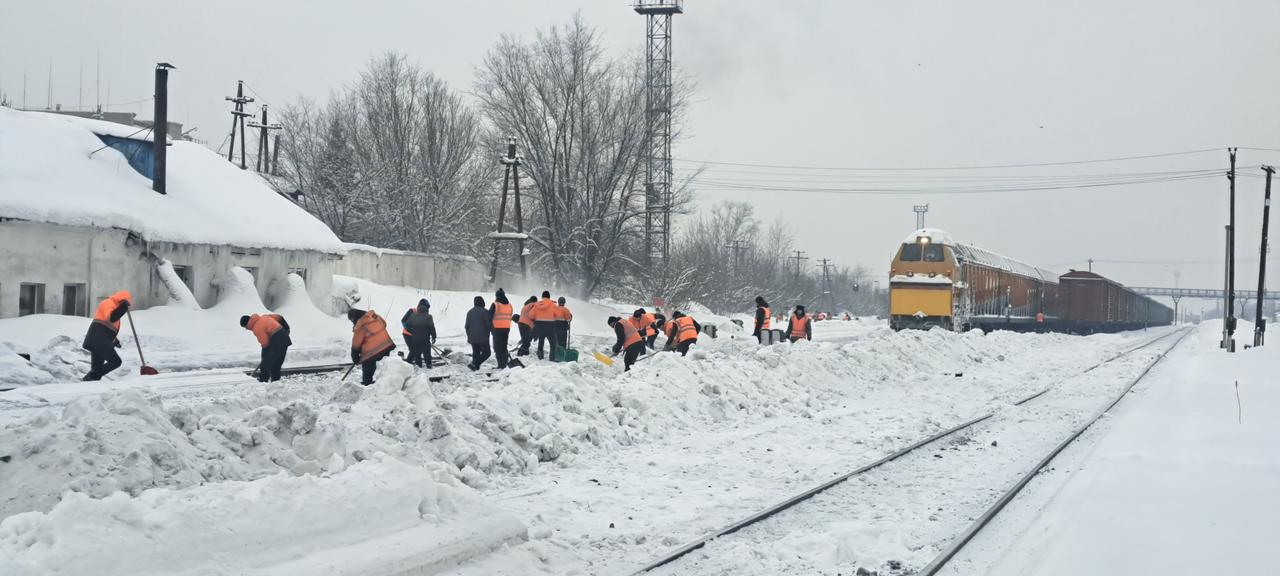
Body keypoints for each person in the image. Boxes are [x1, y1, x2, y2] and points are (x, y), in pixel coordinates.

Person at [82, 291, 131, 381]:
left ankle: (89, 380)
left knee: (97, 370)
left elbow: (106, 328)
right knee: (115, 362)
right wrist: (123, 308)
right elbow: (111, 317)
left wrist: (114, 340)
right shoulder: (108, 303)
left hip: (97, 341)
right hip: (99, 341)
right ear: (121, 300)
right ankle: (91, 377)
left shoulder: (114, 307)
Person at [348, 308, 395, 385]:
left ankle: (367, 383)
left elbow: (356, 344)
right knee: (384, 364)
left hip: (374, 349)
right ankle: (388, 380)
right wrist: (376, 332)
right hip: (386, 343)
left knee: (367, 361)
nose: (352, 322)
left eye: (351, 320)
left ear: (353, 318)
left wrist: (355, 357)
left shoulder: (360, 325)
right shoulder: (373, 315)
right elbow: (384, 323)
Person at [401, 299, 437, 368]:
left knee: (416, 350)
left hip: (415, 335)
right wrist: (410, 330)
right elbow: (403, 321)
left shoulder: (422, 314)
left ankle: (416, 362)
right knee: (413, 350)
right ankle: (408, 363)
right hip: (407, 334)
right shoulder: (412, 311)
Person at [465, 295, 492, 371]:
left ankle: (475, 368)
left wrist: (469, 335)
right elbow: (488, 325)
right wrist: (488, 333)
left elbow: (466, 326)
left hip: (472, 337)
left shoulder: (469, 312)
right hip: (483, 337)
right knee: (487, 353)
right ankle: (474, 364)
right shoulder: (485, 312)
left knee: (476, 352)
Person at [489, 288, 513, 369]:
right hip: (506, 329)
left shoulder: (495, 304)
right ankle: (504, 364)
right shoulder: (510, 306)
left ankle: (501, 365)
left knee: (497, 347)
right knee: (504, 346)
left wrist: (490, 328)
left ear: (497, 296)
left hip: (497, 329)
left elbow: (489, 316)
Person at [531, 291, 558, 360]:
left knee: (541, 340)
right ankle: (552, 358)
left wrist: (537, 317)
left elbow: (531, 315)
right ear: (549, 297)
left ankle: (540, 355)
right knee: (552, 343)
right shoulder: (553, 305)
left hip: (539, 325)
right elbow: (557, 315)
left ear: (542, 297)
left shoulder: (537, 305)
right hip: (550, 326)